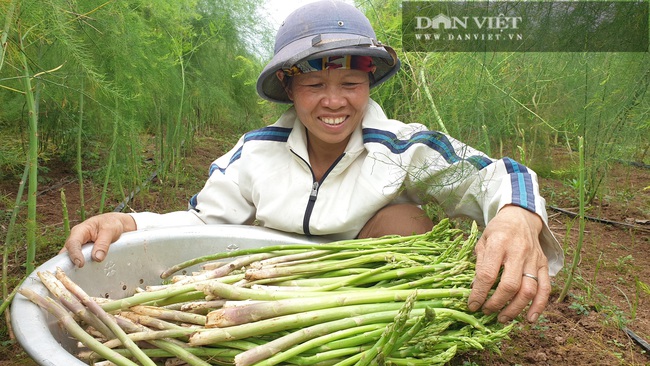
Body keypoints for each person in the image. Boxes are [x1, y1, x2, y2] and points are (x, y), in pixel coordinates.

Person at [63, 0, 563, 324]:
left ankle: (383, 335)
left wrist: (517, 215)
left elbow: (497, 175)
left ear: (369, 85)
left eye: (350, 84)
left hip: (363, 293)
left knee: (406, 221)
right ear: (289, 87)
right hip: (270, 279)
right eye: (314, 85)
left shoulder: (405, 148)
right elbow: (201, 222)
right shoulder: (256, 152)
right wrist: (128, 220)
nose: (334, 102)